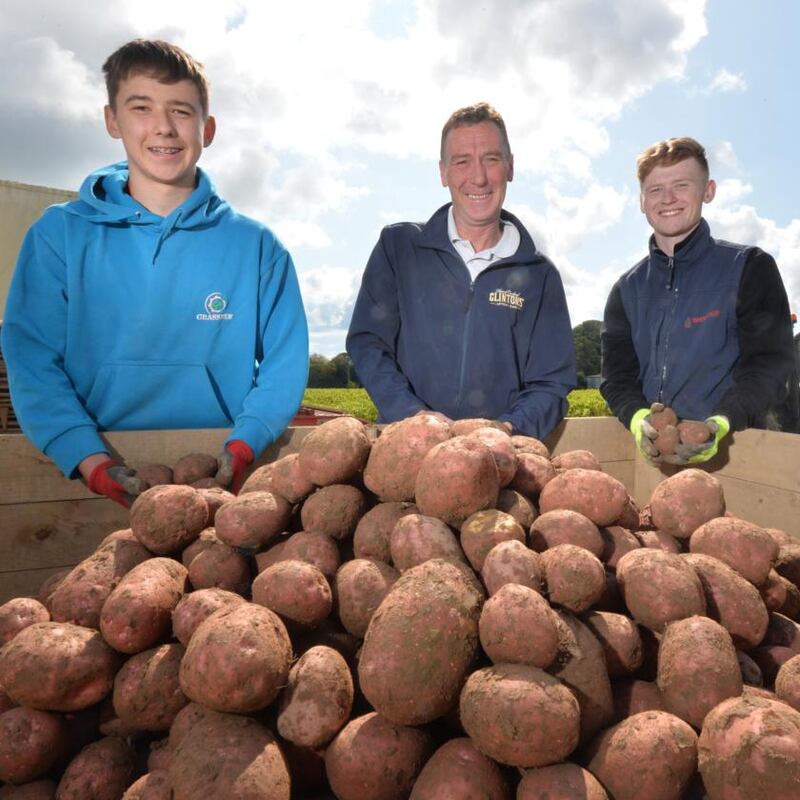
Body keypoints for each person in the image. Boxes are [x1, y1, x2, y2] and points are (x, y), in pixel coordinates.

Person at [1, 39, 308, 505]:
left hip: (223, 471)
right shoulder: (59, 235)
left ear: (207, 128)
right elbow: (31, 355)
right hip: (94, 467)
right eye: (141, 107)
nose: (163, 127)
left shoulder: (257, 246)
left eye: (181, 111)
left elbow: (285, 361)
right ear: (112, 120)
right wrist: (86, 457)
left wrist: (244, 445)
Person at [346, 102, 576, 439]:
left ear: (510, 167)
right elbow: (368, 343)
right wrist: (414, 417)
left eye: (491, 159)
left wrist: (504, 431)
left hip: (499, 455)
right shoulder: (399, 248)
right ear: (443, 172)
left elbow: (551, 384)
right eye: (462, 161)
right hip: (406, 443)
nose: (478, 177)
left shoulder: (540, 276)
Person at [601, 136, 796, 464]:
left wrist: (721, 422)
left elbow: (770, 365)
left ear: (708, 191)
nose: (668, 198)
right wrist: (637, 417)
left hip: (740, 452)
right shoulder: (626, 290)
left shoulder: (750, 268)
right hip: (652, 460)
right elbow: (617, 377)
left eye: (681, 185)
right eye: (655, 189)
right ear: (641, 201)